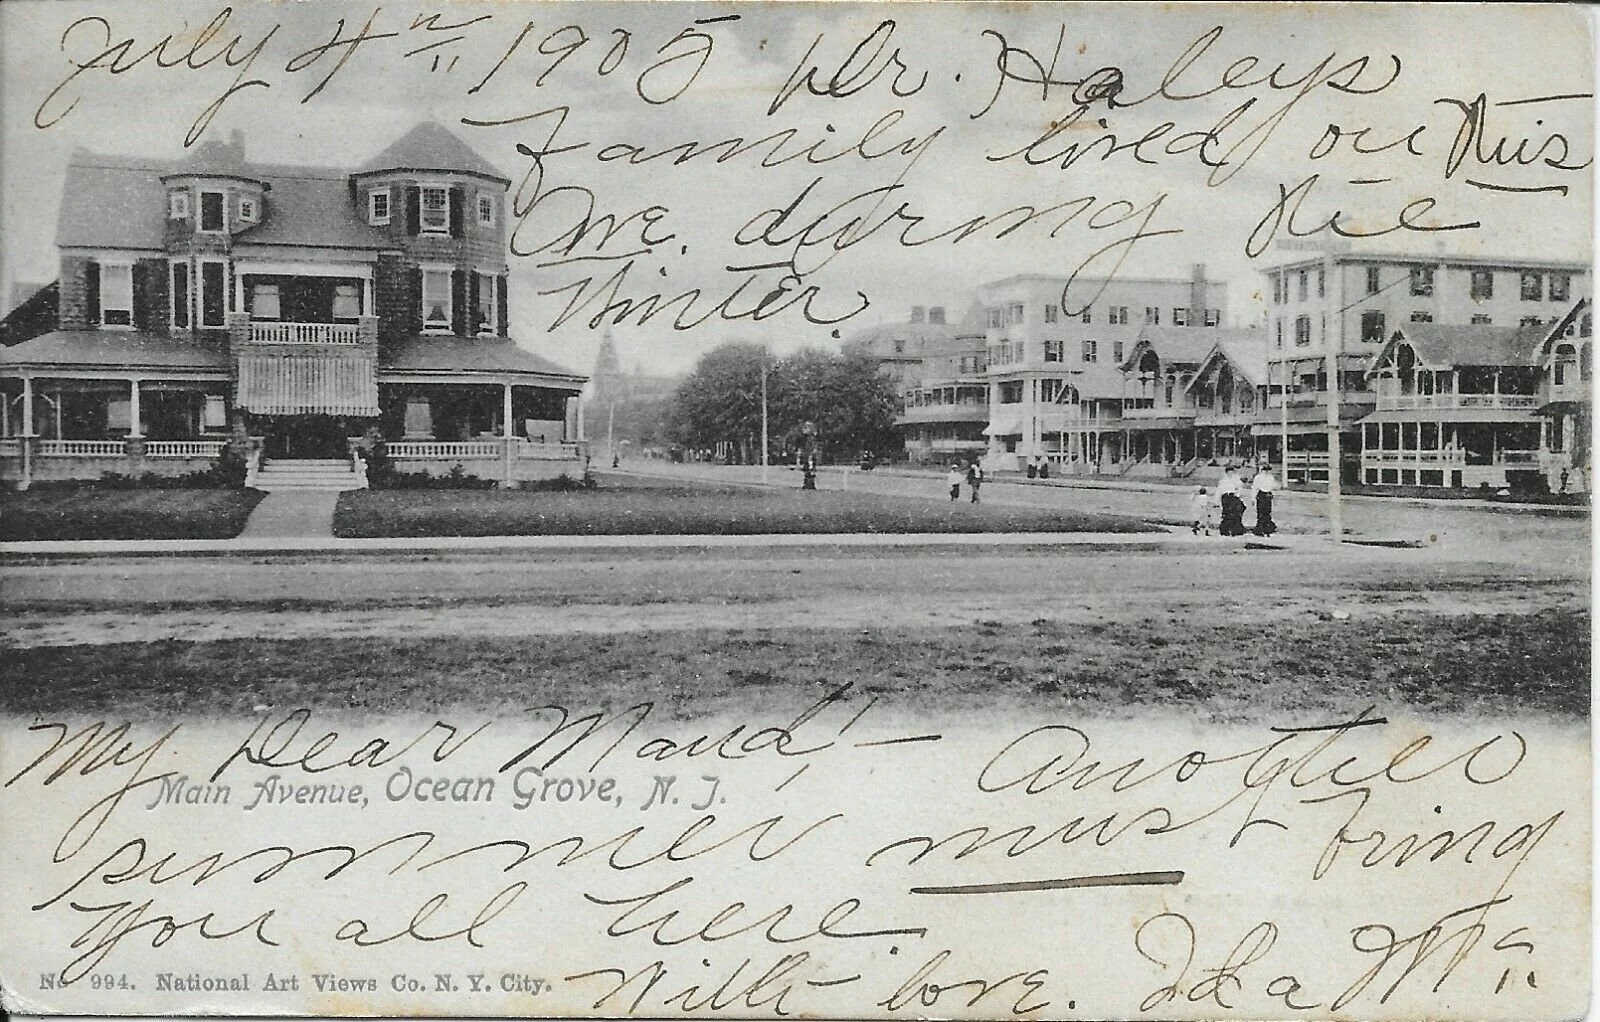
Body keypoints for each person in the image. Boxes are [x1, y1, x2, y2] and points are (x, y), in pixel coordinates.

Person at [1216, 464, 1247, 536]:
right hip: (1226, 497)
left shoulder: (1236, 480)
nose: (1230, 474)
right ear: (1226, 473)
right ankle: (1225, 531)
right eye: (1229, 472)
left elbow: (1239, 488)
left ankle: (1236, 530)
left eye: (1232, 472)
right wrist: (1216, 501)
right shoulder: (1223, 481)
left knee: (1235, 513)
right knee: (1227, 513)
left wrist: (1238, 496)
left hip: (1233, 497)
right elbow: (1219, 490)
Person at [1251, 463, 1278, 536]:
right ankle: (1260, 529)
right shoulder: (1258, 477)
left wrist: (1274, 498)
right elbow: (1254, 488)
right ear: (1262, 470)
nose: (1266, 472)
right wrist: (1253, 498)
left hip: (1268, 495)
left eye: (1268, 470)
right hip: (1261, 495)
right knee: (1260, 512)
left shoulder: (1271, 478)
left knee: (1267, 512)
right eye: (1265, 470)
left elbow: (1272, 488)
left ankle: (1267, 529)